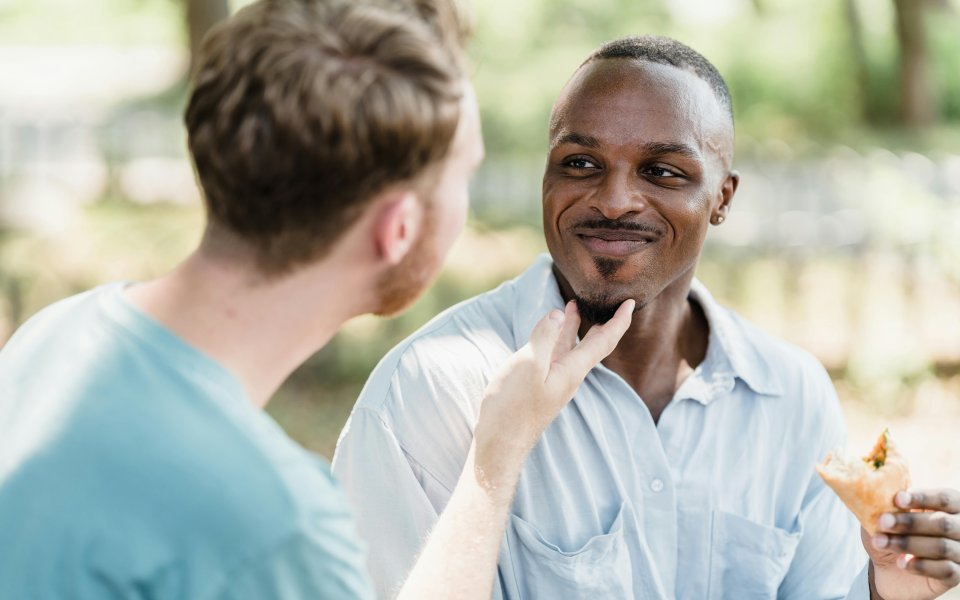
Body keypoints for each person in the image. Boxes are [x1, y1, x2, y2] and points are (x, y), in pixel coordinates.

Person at [0, 1, 636, 598]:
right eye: (464, 174)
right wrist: (494, 464)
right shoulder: (272, 528)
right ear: (399, 229)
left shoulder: (59, 334)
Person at [333, 35, 960, 600]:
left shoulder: (790, 398)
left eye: (663, 172)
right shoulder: (430, 390)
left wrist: (888, 595)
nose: (613, 199)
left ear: (722, 199)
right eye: (580, 163)